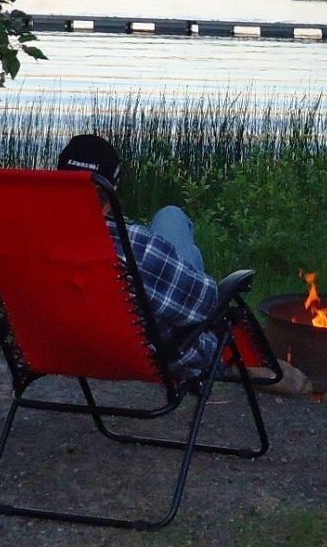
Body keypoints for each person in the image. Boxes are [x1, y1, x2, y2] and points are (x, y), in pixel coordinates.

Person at [56, 134, 224, 376]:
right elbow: (206, 304)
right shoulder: (134, 246)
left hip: (69, 347)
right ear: (112, 189)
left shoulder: (28, 241)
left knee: (168, 219)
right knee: (172, 218)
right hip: (161, 353)